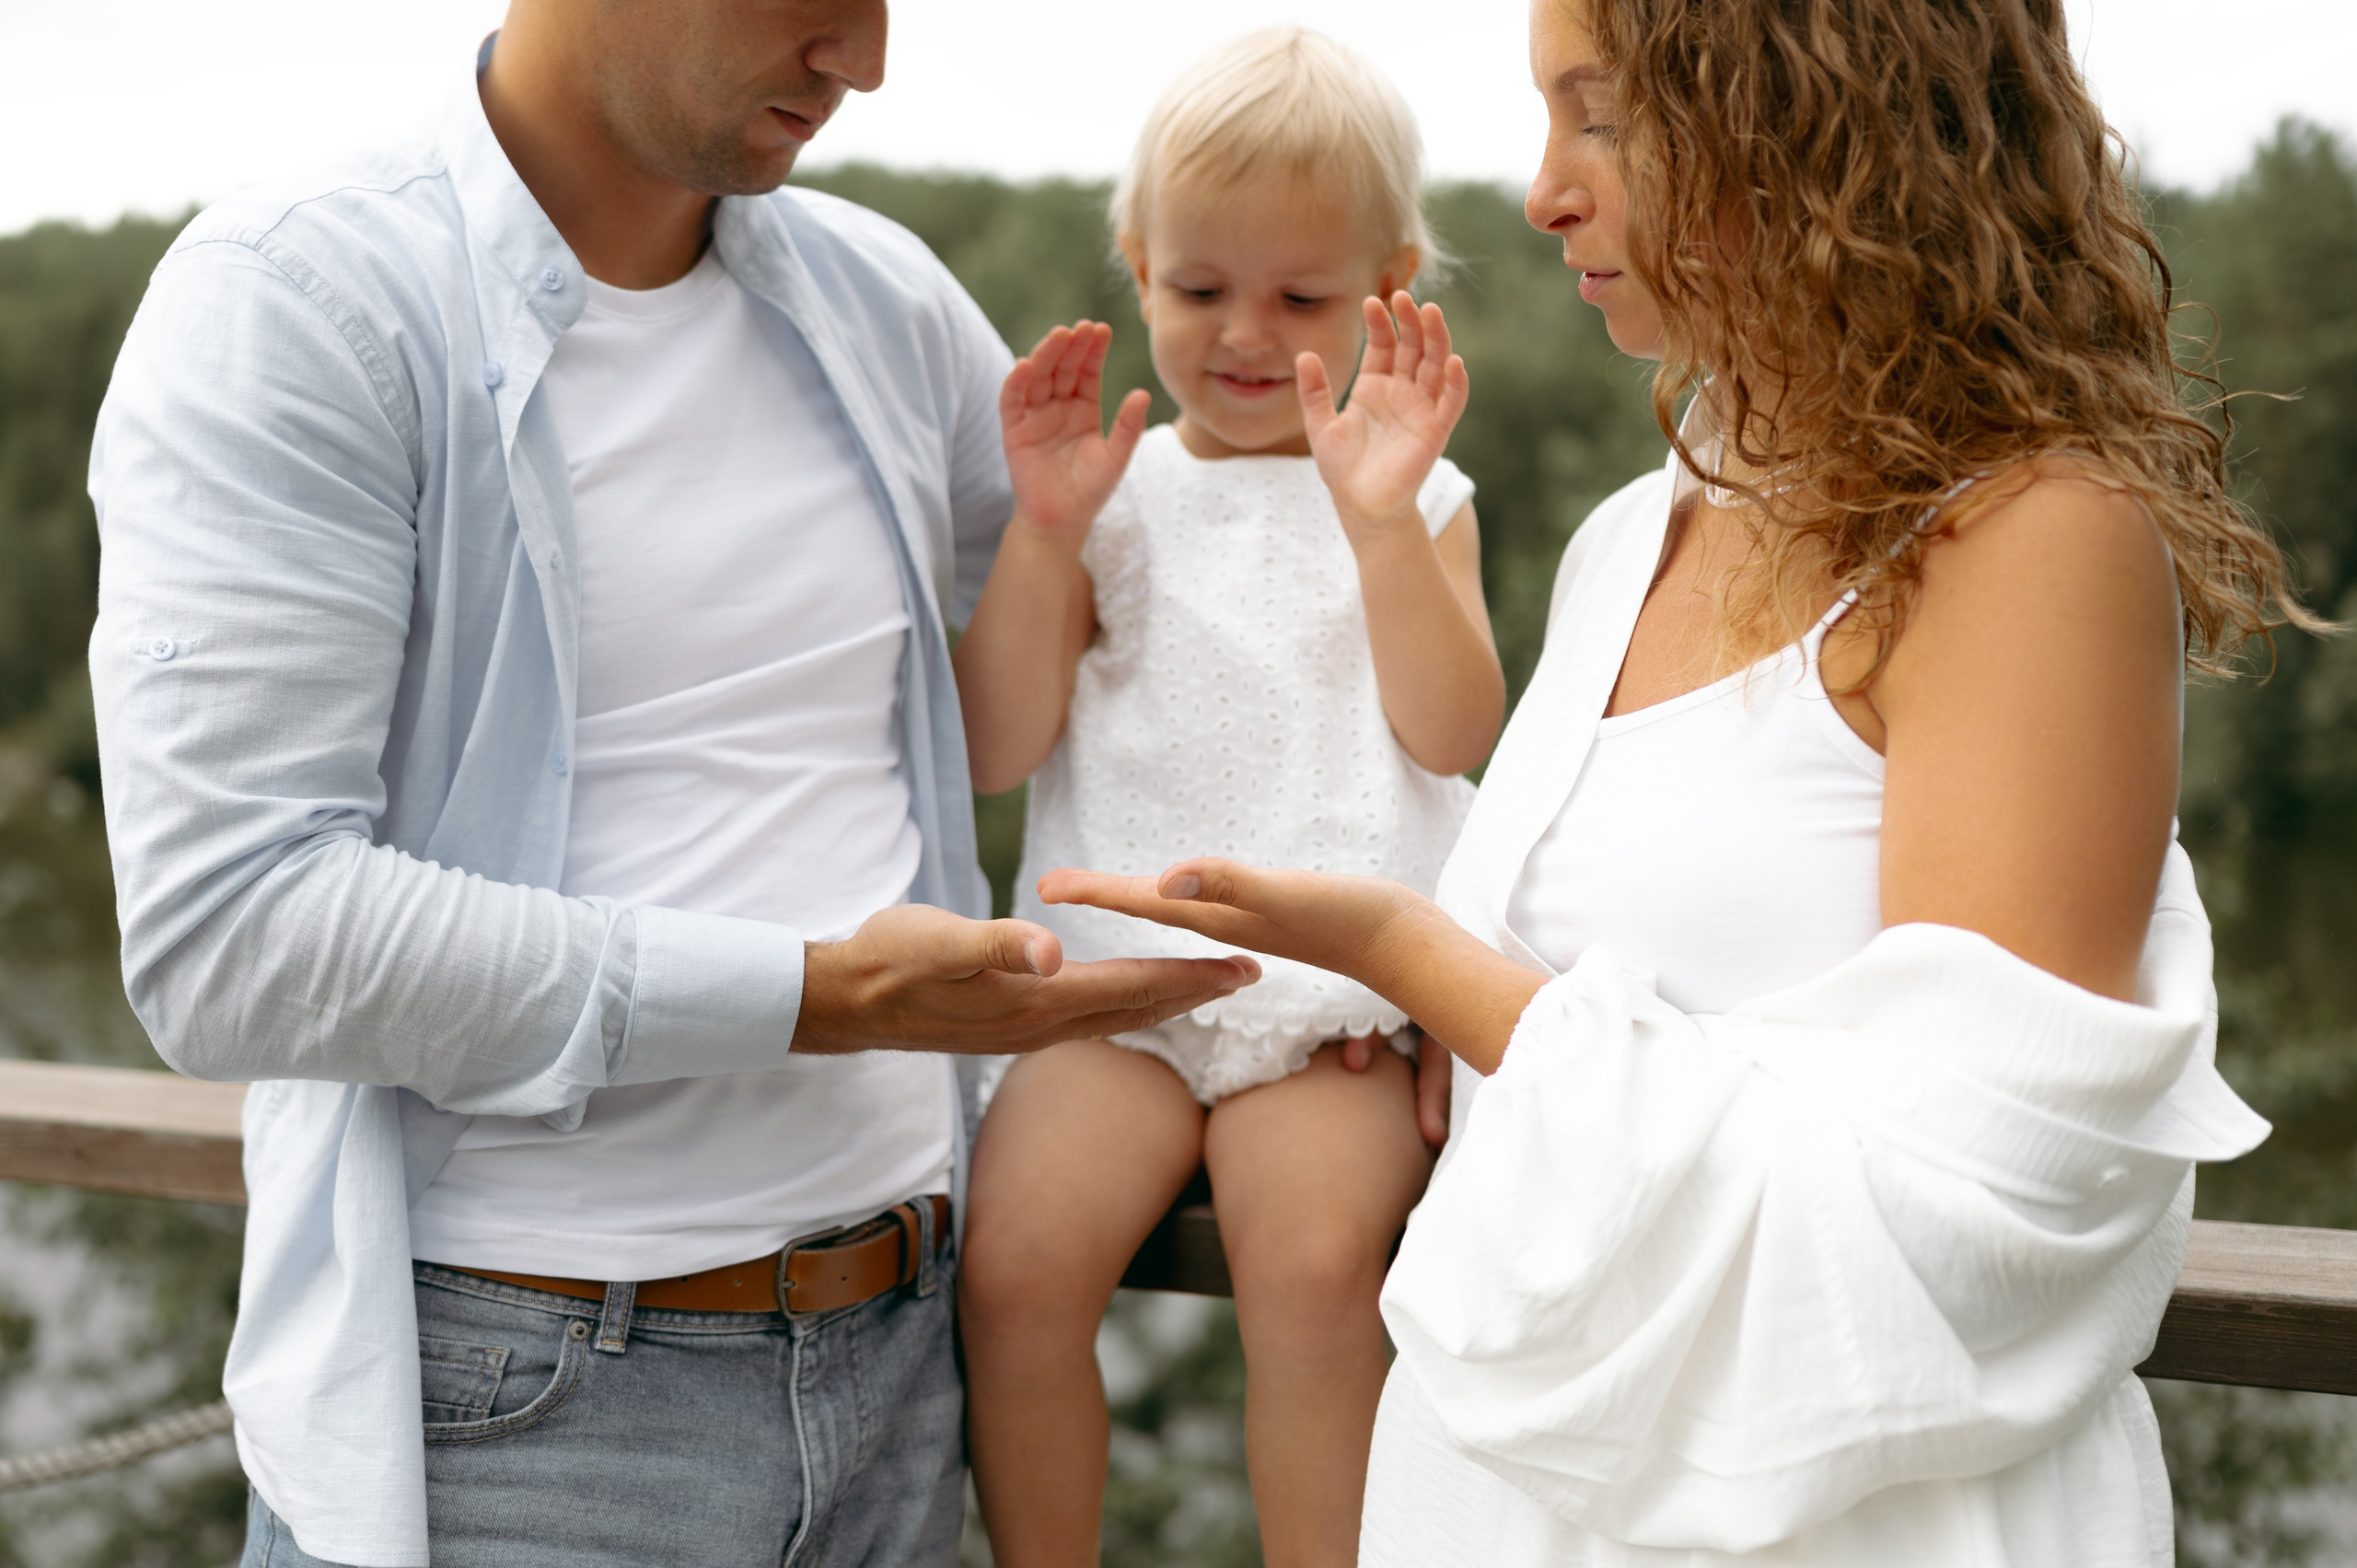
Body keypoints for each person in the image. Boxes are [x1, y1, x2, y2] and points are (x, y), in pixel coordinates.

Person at [1041, 0, 2311, 1562]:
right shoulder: (1632, 538)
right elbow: (1598, 1016)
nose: (1542, 192)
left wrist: (1413, 963)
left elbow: (1987, 1207)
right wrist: (1455, 1047)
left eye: (1604, 114)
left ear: (1818, 115)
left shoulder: (2035, 541)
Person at [87, 2, 1260, 1563]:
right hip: (518, 1415)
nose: (866, 58)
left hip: (918, 1370)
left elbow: (1172, 622)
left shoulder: (886, 297)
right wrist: (822, 994)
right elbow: (230, 940)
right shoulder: (299, 304)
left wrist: (1378, 1007)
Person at [951, 30, 1500, 1568]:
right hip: (1112, 993)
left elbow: (1452, 730)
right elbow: (998, 744)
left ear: (1390, 283)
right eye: (1200, 289)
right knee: (1012, 1268)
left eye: (1303, 295)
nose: (1246, 333)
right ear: (1136, 266)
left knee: (1319, 1274)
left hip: (1327, 1003)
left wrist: (1383, 526)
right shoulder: (1106, 493)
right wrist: (1046, 541)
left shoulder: (1412, 490)